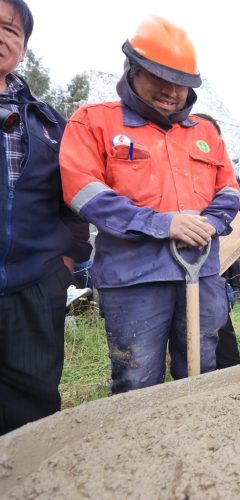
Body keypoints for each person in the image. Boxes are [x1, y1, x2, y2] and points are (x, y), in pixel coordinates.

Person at [60, 16, 240, 394]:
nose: (171, 91)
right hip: (135, 279)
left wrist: (207, 223)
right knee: (136, 380)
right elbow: (83, 191)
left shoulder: (204, 133)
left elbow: (229, 189)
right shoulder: (94, 122)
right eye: (160, 77)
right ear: (133, 70)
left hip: (201, 273)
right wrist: (162, 224)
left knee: (202, 373)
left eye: (181, 83)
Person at [0, 0, 91, 435]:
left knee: (32, 411)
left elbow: (72, 201)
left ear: (23, 47)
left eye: (10, 29)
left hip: (34, 288)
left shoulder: (49, 122)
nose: (1, 36)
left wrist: (64, 269)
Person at [193, 112, 240, 369]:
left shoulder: (224, 172)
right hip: (172, 269)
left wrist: (221, 192)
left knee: (222, 338)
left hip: (216, 270)